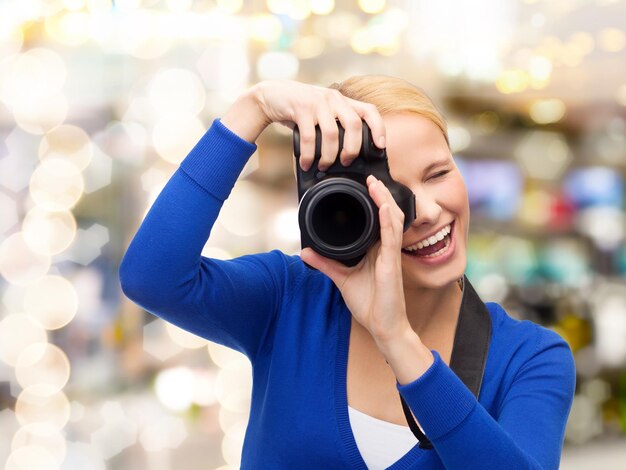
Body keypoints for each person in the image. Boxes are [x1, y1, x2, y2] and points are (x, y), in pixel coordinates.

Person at [119, 76, 576, 469]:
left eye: (438, 174)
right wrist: (253, 108)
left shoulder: (530, 359)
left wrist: (397, 340)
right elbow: (151, 276)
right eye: (392, 193)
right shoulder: (292, 299)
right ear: (346, 208)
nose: (427, 211)